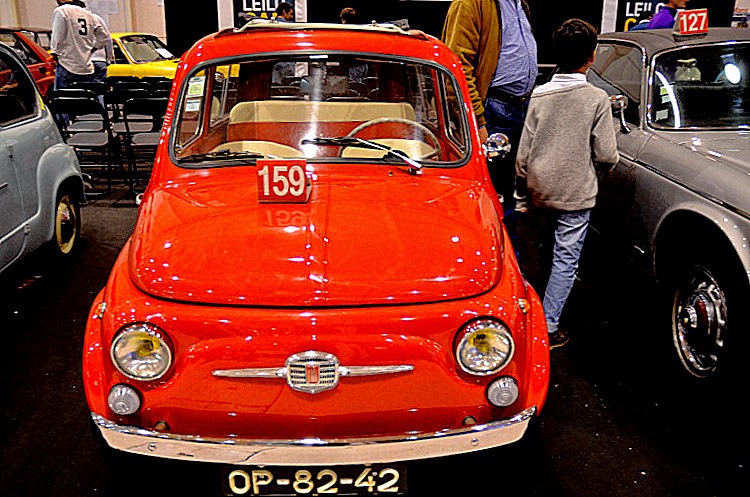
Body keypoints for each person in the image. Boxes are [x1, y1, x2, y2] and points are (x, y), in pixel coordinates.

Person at [513, 19, 619, 349]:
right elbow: (607, 154)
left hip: (538, 189)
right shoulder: (597, 98)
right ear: (592, 56)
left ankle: (522, 318)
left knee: (535, 254)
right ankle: (548, 327)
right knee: (565, 260)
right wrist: (596, 174)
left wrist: (522, 193)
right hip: (575, 193)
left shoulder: (539, 94)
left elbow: (523, 153)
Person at [442, 0, 537, 215]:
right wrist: (477, 120)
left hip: (520, 107)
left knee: (510, 189)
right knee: (491, 194)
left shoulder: (519, 4)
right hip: (492, 110)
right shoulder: (471, 3)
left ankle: (507, 233)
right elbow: (456, 67)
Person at [50, 0, 109, 90]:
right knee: (85, 96)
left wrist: (54, 53)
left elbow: (57, 36)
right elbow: (104, 36)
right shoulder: (87, 14)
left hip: (67, 65)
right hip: (87, 67)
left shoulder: (61, 11)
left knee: (63, 97)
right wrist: (93, 48)